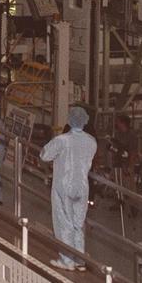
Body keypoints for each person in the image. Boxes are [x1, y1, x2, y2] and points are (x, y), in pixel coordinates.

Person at [39, 106, 98, 271]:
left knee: (63, 222)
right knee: (78, 223)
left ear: (70, 120)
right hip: (82, 186)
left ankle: (67, 260)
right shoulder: (91, 141)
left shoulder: (62, 140)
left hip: (63, 185)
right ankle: (79, 259)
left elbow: (45, 155)